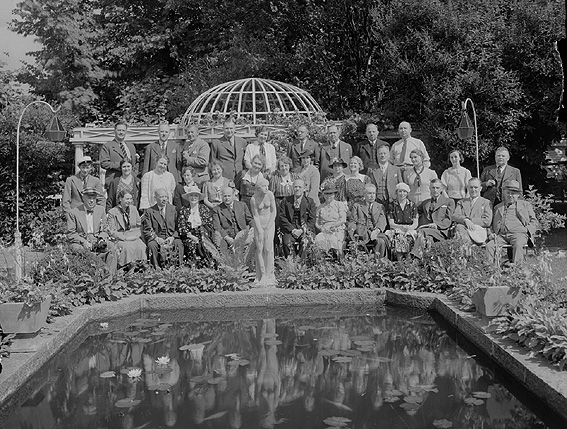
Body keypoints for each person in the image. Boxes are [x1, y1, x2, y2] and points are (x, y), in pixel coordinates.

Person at [485, 180, 538, 264]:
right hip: (501, 235)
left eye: (513, 193)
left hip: (518, 234)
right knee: (490, 246)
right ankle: (491, 271)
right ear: (504, 193)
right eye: (508, 192)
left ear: (518, 195)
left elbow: (534, 221)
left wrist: (527, 230)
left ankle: (517, 272)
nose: (510, 195)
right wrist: (491, 233)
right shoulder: (498, 207)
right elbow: (491, 223)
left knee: (518, 245)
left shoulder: (525, 205)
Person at [66, 187, 117, 274]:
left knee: (111, 246)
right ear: (83, 198)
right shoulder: (73, 212)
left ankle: (111, 276)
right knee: (79, 249)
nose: (91, 201)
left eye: (94, 198)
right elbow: (71, 233)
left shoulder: (100, 210)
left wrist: (101, 239)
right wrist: (84, 242)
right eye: (89, 198)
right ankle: (86, 276)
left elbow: (104, 229)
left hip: (96, 239)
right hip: (81, 241)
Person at [411, 179, 455, 258]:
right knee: (428, 239)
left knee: (422, 231)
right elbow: (414, 212)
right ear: (429, 189)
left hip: (441, 231)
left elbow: (448, 219)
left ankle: (415, 257)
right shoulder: (425, 203)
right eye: (433, 188)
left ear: (441, 189)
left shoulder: (449, 201)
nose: (435, 190)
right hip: (429, 231)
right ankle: (429, 263)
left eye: (437, 188)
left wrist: (437, 225)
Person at [142, 188, 184, 268]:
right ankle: (155, 269)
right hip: (157, 238)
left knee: (178, 243)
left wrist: (173, 237)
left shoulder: (174, 209)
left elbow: (179, 227)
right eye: (161, 197)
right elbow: (147, 229)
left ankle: (178, 268)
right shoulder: (149, 211)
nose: (164, 199)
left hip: (171, 237)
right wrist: (157, 239)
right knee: (152, 245)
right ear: (155, 198)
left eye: (166, 197)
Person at [106, 190, 147, 269]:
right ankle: (127, 269)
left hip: (133, 235)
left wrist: (136, 236)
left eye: (131, 199)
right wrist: (125, 238)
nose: (129, 201)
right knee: (127, 248)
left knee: (141, 246)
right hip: (121, 238)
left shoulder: (133, 209)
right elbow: (112, 231)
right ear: (120, 199)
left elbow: (139, 225)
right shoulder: (112, 212)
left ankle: (140, 268)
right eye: (127, 199)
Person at [177, 185, 215, 267]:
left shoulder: (204, 209)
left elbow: (209, 224)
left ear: (198, 197)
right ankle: (193, 265)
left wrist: (203, 234)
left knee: (206, 244)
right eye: (191, 195)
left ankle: (209, 265)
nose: (193, 198)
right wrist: (192, 237)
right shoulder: (184, 209)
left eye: (195, 195)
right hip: (189, 236)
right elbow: (182, 226)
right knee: (192, 244)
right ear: (188, 197)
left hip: (203, 234)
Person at [347, 184, 389, 257]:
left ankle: (378, 262)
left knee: (381, 241)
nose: (372, 196)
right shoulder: (357, 206)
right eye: (369, 193)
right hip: (362, 233)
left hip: (375, 232)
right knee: (355, 242)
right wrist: (352, 230)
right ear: (364, 194)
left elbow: (382, 221)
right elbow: (353, 221)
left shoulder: (380, 206)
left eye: (373, 193)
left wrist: (377, 230)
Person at [278, 179, 317, 258]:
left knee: (305, 242)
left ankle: (300, 264)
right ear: (293, 188)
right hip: (290, 228)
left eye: (300, 187)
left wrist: (302, 230)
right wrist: (292, 230)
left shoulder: (310, 202)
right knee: (287, 243)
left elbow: (312, 220)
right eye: (295, 187)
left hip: (304, 229)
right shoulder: (286, 200)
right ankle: (291, 264)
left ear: (304, 188)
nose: (297, 189)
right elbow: (281, 217)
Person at [250, 178, 277, 285]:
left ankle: (270, 274)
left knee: (268, 249)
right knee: (260, 249)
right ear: (258, 187)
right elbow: (255, 216)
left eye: (267, 186)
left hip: (270, 224)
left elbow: (274, 211)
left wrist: (268, 227)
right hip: (259, 225)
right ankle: (262, 275)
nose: (266, 188)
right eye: (264, 186)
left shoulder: (270, 195)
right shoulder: (253, 199)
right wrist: (260, 230)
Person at [212, 186, 253, 251]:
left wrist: (252, 228)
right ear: (222, 197)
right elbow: (217, 227)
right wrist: (226, 237)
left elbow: (250, 220)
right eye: (225, 196)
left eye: (229, 196)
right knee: (222, 247)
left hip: (242, 235)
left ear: (233, 196)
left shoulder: (242, 205)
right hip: (227, 237)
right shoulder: (216, 210)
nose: (227, 198)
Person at [99, 120, 139, 189]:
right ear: (114, 131)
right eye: (119, 130)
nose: (121, 132)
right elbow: (104, 163)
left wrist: (135, 174)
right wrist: (120, 164)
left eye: (123, 130)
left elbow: (134, 164)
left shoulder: (131, 146)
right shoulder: (107, 146)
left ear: (126, 132)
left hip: (130, 182)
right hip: (114, 182)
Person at [452, 178, 493, 245]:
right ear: (468, 188)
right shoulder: (462, 202)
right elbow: (455, 216)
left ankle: (467, 249)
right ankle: (468, 249)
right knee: (459, 227)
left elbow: (487, 221)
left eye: (476, 187)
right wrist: (465, 220)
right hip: (464, 231)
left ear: (481, 188)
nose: (473, 190)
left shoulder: (486, 203)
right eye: (471, 187)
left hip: (479, 233)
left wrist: (470, 221)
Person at [385, 183, 419, 260]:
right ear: (396, 192)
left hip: (409, 228)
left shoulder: (412, 205)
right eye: (400, 191)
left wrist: (409, 228)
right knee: (399, 237)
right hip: (397, 228)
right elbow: (391, 223)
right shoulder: (391, 205)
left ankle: (409, 262)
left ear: (407, 193)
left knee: (409, 238)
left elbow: (415, 223)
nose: (402, 194)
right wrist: (401, 227)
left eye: (404, 191)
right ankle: (399, 262)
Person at [314, 182, 348, 255]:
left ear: (334, 194)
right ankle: (321, 261)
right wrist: (321, 228)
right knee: (318, 239)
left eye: (331, 194)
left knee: (334, 240)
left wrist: (333, 226)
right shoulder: (320, 208)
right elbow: (316, 223)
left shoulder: (340, 205)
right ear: (323, 194)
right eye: (326, 194)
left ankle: (338, 259)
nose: (328, 196)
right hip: (325, 230)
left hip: (337, 229)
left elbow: (343, 219)